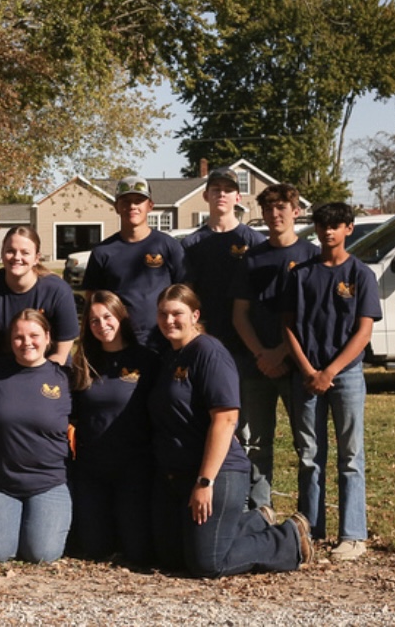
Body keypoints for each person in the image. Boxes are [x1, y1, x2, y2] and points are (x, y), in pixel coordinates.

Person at [149, 284, 310, 577]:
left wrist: (205, 482)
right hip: (179, 474)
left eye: (177, 313)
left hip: (217, 472)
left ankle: (288, 539)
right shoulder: (170, 355)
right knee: (170, 557)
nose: (169, 320)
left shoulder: (209, 353)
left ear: (195, 315)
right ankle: (252, 522)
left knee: (208, 562)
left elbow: (225, 420)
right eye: (163, 313)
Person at [283, 202, 381, 562]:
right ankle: (310, 528)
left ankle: (353, 534)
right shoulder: (300, 274)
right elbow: (289, 327)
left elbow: (364, 330)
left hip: (347, 375)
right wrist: (309, 370)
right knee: (309, 455)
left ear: (349, 229)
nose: (328, 232)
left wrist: (331, 371)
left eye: (336, 226)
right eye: (323, 226)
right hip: (305, 375)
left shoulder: (361, 275)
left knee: (350, 455)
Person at [231, 183, 318, 511]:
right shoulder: (252, 258)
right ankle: (260, 514)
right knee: (255, 444)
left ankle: (310, 519)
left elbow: (313, 317)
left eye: (281, 208)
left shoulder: (311, 256)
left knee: (307, 446)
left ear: (296, 211)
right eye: (268, 209)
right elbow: (239, 315)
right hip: (256, 366)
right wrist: (261, 355)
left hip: (298, 366)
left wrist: (282, 352)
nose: (274, 215)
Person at [0, 309, 72, 563]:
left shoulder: (64, 377)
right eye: (19, 337)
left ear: (48, 338)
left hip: (47, 481)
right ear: (10, 340)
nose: (27, 342)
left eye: (34, 335)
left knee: (43, 554)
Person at [67, 291, 156, 565]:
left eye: (108, 317)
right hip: (92, 469)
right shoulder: (82, 362)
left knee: (138, 552)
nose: (101, 324)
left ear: (121, 318)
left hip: (135, 468)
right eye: (94, 320)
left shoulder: (147, 361)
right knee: (95, 549)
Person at [82, 176, 186, 346]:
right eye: (126, 201)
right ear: (116, 207)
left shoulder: (168, 246)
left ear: (150, 206)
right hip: (119, 340)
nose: (132, 206)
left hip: (163, 339)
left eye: (139, 201)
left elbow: (185, 292)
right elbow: (92, 300)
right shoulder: (102, 252)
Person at [180, 167, 266, 350]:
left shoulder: (255, 241)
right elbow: (187, 294)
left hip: (248, 340)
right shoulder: (191, 244)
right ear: (206, 195)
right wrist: (194, 330)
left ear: (238, 198)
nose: (222, 194)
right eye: (216, 189)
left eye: (228, 190)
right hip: (205, 336)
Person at [0, 226, 78, 365]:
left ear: (36, 258)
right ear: (2, 254)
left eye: (25, 253)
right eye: (10, 251)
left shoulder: (58, 291)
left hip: (50, 370)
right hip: (0, 371)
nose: (17, 257)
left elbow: (60, 355)